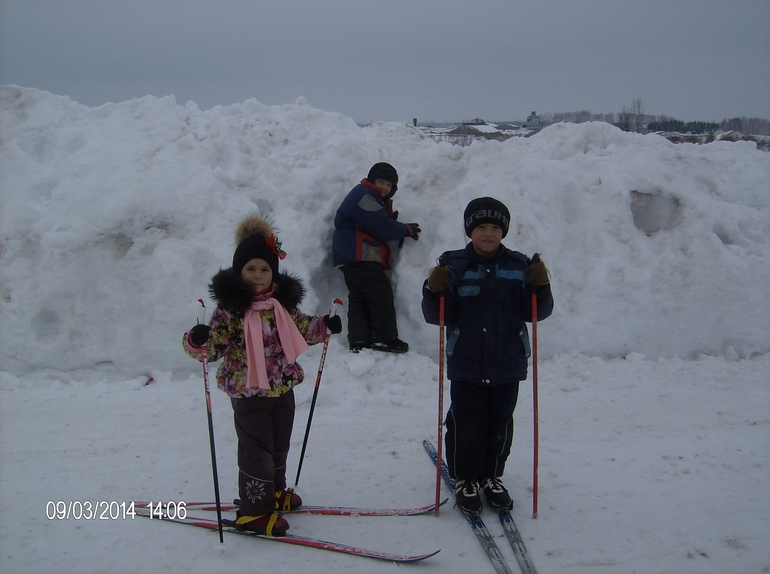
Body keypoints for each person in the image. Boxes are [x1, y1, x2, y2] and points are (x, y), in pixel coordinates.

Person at [183, 214, 342, 536]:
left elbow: (303, 328)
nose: (257, 275)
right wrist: (198, 340)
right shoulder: (229, 310)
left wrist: (325, 325)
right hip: (248, 392)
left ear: (274, 273)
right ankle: (255, 510)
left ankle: (274, 491)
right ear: (238, 272)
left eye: (264, 269)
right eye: (250, 269)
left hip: (282, 387)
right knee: (256, 450)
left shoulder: (280, 306)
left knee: (279, 445)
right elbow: (211, 348)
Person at [421, 197, 553, 513]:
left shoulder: (518, 265)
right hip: (467, 361)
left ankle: (492, 475)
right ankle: (466, 478)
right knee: (467, 423)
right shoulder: (453, 265)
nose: (488, 233)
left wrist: (540, 285)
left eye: (495, 227)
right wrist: (434, 290)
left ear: (503, 230)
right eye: (481, 227)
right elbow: (437, 316)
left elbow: (536, 313)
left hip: (508, 362)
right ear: (470, 230)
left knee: (499, 424)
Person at [332, 162, 421, 353]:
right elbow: (381, 226)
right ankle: (384, 337)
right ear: (372, 180)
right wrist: (406, 229)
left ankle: (359, 341)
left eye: (389, 185)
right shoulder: (365, 195)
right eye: (381, 181)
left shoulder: (366, 196)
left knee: (359, 297)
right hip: (359, 254)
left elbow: (375, 222)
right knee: (379, 292)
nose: (385, 187)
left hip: (349, 256)